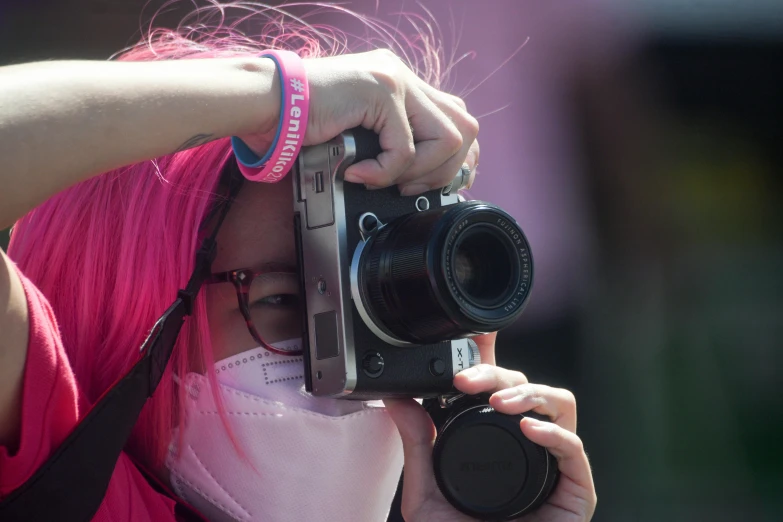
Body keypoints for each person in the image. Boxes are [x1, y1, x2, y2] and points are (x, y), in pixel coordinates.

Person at [0, 4, 596, 521]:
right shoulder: (73, 494)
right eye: (286, 300)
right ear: (123, 313)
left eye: (373, 324)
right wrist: (276, 97)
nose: (347, 377)